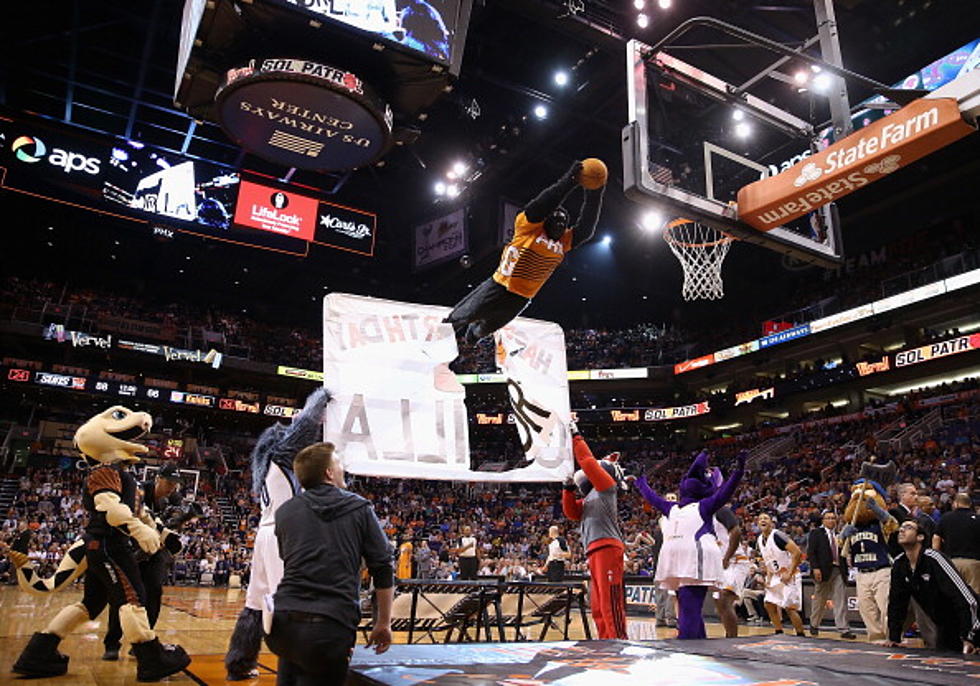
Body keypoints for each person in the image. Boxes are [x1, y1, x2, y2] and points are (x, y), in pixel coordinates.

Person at [266, 442, 394, 685]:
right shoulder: (360, 507)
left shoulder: (284, 512)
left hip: (283, 624)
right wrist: (383, 623)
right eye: (338, 463)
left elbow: (289, 560)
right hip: (329, 627)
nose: (342, 468)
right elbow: (383, 567)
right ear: (328, 472)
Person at [225, 389, 329, 681]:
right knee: (291, 602)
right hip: (281, 535)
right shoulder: (280, 457)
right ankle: (297, 667)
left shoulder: (270, 467)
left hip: (266, 534)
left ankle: (239, 662)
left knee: (255, 604)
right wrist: (323, 397)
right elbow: (305, 426)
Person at [444, 160, 604, 343]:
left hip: (522, 298)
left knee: (480, 333)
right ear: (546, 221)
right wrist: (569, 182)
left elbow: (587, 227)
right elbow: (542, 204)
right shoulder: (528, 227)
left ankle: (470, 337)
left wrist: (595, 193)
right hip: (499, 286)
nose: (560, 225)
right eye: (556, 220)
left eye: (564, 222)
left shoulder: (564, 241)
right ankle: (431, 342)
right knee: (458, 319)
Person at [636, 450, 747, 640]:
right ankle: (693, 641)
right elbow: (725, 493)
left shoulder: (673, 508)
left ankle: (690, 641)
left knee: (687, 603)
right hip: (693, 556)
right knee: (690, 604)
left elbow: (651, 497)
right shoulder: (703, 506)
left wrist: (640, 481)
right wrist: (738, 471)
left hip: (677, 557)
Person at [102, 463, 185, 661]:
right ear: (157, 478)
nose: (172, 487)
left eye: (176, 483)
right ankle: (112, 643)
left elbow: (170, 530)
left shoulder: (172, 501)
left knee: (154, 592)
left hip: (156, 550)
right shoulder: (138, 490)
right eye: (169, 482)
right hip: (130, 547)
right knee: (123, 596)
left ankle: (143, 644)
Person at [561, 424, 628, 639]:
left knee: (610, 601)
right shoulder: (589, 498)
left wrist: (575, 436)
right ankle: (605, 643)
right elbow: (571, 512)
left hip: (608, 547)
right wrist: (567, 489)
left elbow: (588, 463)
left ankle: (619, 643)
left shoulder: (607, 488)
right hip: (595, 551)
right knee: (598, 604)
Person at [885, 518, 979, 653]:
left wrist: (970, 637)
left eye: (908, 527)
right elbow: (896, 602)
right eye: (901, 527)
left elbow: (965, 598)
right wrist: (894, 637)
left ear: (920, 537)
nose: (901, 530)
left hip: (972, 624)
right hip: (945, 626)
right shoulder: (900, 563)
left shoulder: (934, 558)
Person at [806, 510, 855, 639]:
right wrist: (815, 568)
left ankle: (843, 629)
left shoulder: (840, 535)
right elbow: (811, 552)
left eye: (833, 518)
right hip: (822, 571)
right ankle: (814, 624)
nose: (831, 520)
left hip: (839, 569)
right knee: (819, 600)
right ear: (823, 520)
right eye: (828, 518)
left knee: (840, 600)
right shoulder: (816, 533)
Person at [756, 513, 806, 636]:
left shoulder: (778, 535)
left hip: (789, 574)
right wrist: (768, 578)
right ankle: (778, 631)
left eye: (766, 518)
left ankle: (801, 634)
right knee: (768, 603)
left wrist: (789, 573)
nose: (763, 520)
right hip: (776, 575)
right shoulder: (759, 539)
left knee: (790, 608)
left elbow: (797, 552)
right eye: (760, 519)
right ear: (757, 523)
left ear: (771, 522)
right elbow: (769, 560)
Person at [933, 492, 980, 594]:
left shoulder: (946, 518)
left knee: (953, 595)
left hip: (951, 563)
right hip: (973, 564)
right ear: (970, 504)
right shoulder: (978, 519)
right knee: (975, 596)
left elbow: (936, 538)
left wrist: (936, 559)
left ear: (956, 503)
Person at [713, 505, 747, 638]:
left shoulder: (721, 510)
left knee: (724, 598)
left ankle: (732, 640)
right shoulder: (704, 516)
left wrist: (727, 557)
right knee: (719, 604)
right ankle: (729, 636)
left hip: (736, 561)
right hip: (721, 564)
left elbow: (737, 531)